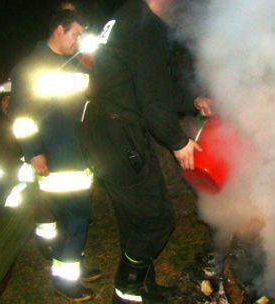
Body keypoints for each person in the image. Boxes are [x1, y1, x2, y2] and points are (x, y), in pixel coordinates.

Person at [80, 0, 212, 303]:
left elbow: (149, 85)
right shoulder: (144, 25)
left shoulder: (128, 16)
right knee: (157, 219)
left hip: (105, 129)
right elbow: (153, 99)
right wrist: (177, 141)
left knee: (134, 218)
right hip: (118, 131)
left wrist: (192, 100)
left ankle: (143, 288)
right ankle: (126, 293)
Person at [8, 10, 99, 302]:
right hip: (56, 155)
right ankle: (65, 281)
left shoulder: (70, 65)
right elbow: (20, 117)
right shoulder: (30, 68)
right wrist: (34, 152)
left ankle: (71, 268)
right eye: (76, 34)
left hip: (76, 152)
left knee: (76, 217)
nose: (79, 41)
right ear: (59, 30)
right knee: (74, 217)